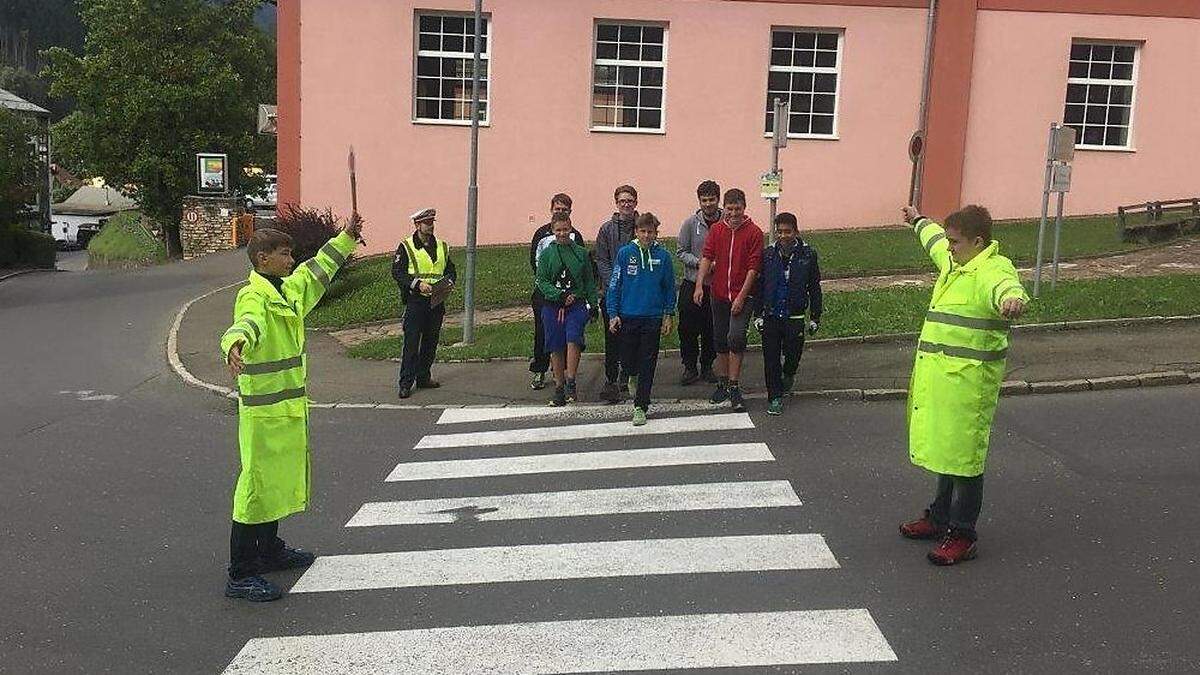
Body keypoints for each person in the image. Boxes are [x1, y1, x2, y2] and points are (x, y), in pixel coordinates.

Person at [219, 215, 363, 602]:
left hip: (286, 409)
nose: (291, 260)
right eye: (284, 254)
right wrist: (234, 344)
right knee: (255, 488)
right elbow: (245, 323)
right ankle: (241, 573)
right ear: (262, 259)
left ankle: (268, 550)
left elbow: (318, 270)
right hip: (263, 414)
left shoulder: (285, 289)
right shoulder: (254, 296)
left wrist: (346, 238)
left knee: (278, 484)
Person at [897, 204, 1029, 566]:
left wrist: (1011, 301)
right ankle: (939, 518)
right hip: (942, 381)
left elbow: (1005, 286)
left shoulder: (991, 268)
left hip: (970, 386)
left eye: (955, 242)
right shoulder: (957, 262)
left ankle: (963, 533)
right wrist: (918, 220)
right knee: (947, 452)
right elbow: (934, 240)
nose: (949, 247)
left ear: (977, 241)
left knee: (965, 461)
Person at [693, 188, 763, 413]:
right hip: (719, 294)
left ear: (744, 208)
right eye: (730, 209)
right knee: (720, 340)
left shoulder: (754, 232)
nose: (733, 213)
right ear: (725, 208)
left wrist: (742, 297)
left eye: (738, 209)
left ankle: (734, 385)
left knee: (736, 337)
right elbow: (707, 256)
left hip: (742, 295)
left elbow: (753, 268)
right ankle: (723, 382)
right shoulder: (717, 230)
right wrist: (699, 285)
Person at [607, 213, 676, 426]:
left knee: (648, 362)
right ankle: (630, 375)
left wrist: (668, 314)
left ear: (656, 233)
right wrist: (613, 313)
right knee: (627, 360)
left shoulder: (663, 256)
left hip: (653, 317)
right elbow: (615, 284)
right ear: (636, 232)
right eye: (643, 231)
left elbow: (669, 287)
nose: (647, 235)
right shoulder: (625, 253)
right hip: (628, 316)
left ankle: (640, 406)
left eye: (651, 232)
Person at [753, 212, 823, 416]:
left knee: (793, 355)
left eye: (788, 231)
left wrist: (815, 317)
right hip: (772, 315)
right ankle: (774, 397)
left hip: (795, 316)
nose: (783, 236)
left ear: (796, 232)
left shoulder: (808, 254)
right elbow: (760, 286)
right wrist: (758, 314)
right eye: (780, 231)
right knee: (771, 359)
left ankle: (789, 374)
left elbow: (814, 287)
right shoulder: (768, 254)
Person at [392, 207, 457, 399]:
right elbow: (397, 272)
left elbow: (451, 270)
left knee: (431, 341)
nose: (430, 227)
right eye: (426, 223)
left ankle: (423, 376)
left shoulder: (442, 246)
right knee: (411, 343)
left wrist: (448, 283)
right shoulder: (406, 246)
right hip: (416, 301)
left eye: (432, 223)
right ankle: (405, 383)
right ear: (417, 225)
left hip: (436, 301)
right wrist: (417, 284)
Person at [535, 211, 598, 406]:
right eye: (558, 230)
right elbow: (542, 281)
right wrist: (558, 295)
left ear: (570, 229)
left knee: (573, 339)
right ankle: (559, 386)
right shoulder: (547, 254)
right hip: (553, 306)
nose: (562, 233)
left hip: (576, 305)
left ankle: (571, 380)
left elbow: (588, 280)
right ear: (553, 231)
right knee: (555, 345)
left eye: (565, 229)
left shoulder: (580, 253)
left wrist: (593, 304)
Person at [528, 194, 585, 391]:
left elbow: (581, 266)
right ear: (551, 209)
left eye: (564, 209)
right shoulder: (541, 234)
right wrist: (552, 291)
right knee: (543, 332)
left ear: (570, 212)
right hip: (545, 293)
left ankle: (563, 374)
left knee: (567, 334)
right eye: (557, 208)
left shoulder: (575, 235)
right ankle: (540, 369)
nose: (560, 212)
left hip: (570, 296)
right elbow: (536, 263)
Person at [594, 184, 639, 403]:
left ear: (636, 202)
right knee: (612, 337)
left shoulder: (643, 226)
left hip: (636, 292)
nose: (626, 204)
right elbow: (601, 259)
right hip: (612, 292)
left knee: (632, 337)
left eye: (630, 200)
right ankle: (611, 378)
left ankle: (629, 373)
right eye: (622, 201)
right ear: (616, 203)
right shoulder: (606, 229)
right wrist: (614, 281)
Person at [676, 180, 720, 386]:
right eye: (704, 200)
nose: (708, 204)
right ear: (699, 201)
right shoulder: (690, 224)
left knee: (711, 327)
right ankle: (689, 366)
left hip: (717, 285)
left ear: (718, 200)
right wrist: (701, 264)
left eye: (712, 199)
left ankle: (708, 365)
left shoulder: (725, 223)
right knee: (688, 327)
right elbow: (681, 252)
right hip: (692, 282)